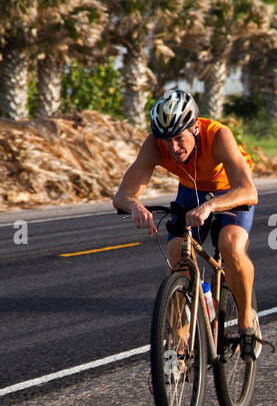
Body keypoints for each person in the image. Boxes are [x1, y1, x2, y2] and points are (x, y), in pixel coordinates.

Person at [113, 88, 265, 358]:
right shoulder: (155, 144)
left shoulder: (218, 136)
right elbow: (122, 195)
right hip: (190, 191)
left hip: (229, 191)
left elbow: (248, 192)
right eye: (166, 140)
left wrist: (210, 206)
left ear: (194, 128)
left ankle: (246, 322)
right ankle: (179, 348)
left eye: (179, 138)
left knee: (229, 244)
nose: (173, 148)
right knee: (178, 255)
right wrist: (135, 206)